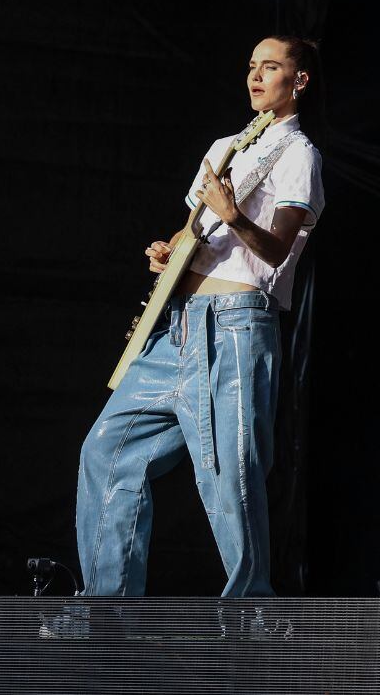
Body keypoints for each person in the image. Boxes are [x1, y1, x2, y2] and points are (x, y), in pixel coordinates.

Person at [75, 35, 324, 596]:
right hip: (177, 326)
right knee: (108, 452)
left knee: (231, 478)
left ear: (298, 80)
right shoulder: (224, 148)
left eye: (271, 67)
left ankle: (249, 618)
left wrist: (234, 215)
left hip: (235, 328)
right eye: (251, 67)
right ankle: (106, 613)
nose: (256, 77)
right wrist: (166, 250)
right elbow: (192, 232)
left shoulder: (299, 153)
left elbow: (276, 248)